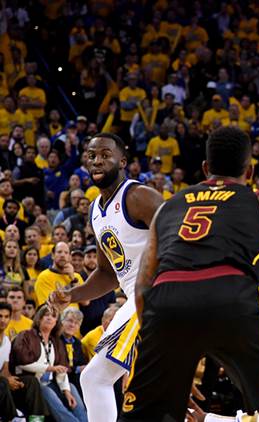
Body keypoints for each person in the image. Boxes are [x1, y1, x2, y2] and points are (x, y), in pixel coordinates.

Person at [119, 127, 259, 421]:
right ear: (250, 171)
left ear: (205, 169)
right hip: (230, 299)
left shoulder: (167, 208)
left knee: (138, 416)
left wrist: (170, 354)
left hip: (167, 304)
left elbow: (142, 287)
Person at [49, 132, 163, 422]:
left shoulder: (138, 196)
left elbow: (179, 237)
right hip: (136, 299)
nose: (97, 160)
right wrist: (71, 295)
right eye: (91, 155)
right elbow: (107, 273)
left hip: (156, 293)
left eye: (105, 154)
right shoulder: (96, 213)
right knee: (102, 380)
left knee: (97, 378)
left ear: (122, 161)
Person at [10, 305, 87, 422]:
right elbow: (22, 362)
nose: (49, 318)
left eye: (53, 316)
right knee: (46, 391)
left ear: (56, 321)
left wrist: (66, 391)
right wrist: (50, 368)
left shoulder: (56, 341)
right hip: (31, 382)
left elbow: (62, 368)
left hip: (51, 382)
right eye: (46, 315)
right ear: (39, 318)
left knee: (71, 388)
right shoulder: (25, 335)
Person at [0, 302, 47, 421]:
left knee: (31, 381)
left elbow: (5, 370)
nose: (3, 320)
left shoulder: (6, 341)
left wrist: (13, 381)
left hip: (2, 383)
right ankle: (13, 418)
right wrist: (7, 380)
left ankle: (36, 420)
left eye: (6, 317)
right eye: (0, 316)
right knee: (4, 383)